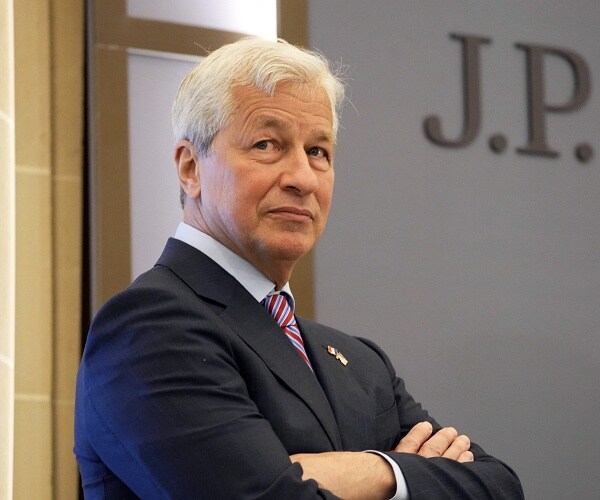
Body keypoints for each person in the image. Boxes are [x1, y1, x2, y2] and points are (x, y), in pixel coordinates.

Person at [74, 37, 524, 499]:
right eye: (267, 144)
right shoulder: (149, 327)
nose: (303, 179)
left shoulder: (360, 364)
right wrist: (408, 475)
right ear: (191, 168)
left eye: (318, 152)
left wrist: (377, 470)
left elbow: (499, 486)